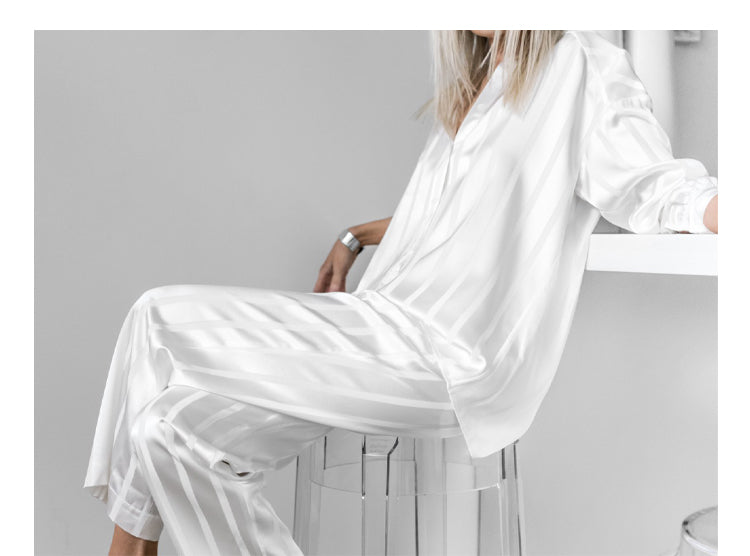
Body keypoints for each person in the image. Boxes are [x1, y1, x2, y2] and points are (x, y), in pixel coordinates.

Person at [84, 30, 719, 555]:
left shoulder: (581, 63)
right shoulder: (474, 92)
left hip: (446, 355)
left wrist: (718, 208)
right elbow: (448, 219)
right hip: (381, 324)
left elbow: (651, 183)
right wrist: (355, 236)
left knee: (157, 315)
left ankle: (125, 549)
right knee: (167, 430)